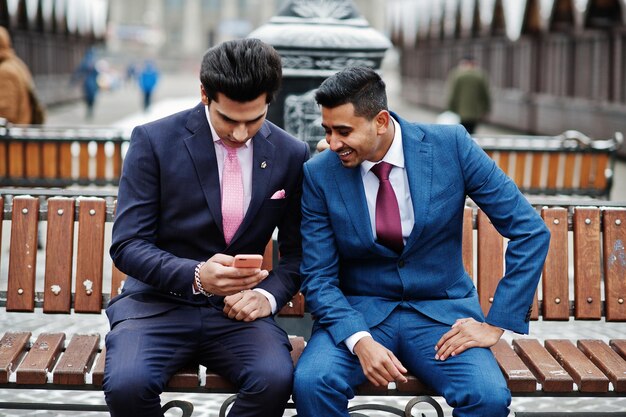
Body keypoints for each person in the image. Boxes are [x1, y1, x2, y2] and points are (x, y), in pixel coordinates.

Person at [293, 67, 550, 417]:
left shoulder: (452, 147)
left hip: (442, 317)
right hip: (359, 315)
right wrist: (360, 340)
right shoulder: (320, 173)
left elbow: (530, 230)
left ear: (380, 121)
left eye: (344, 131)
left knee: (487, 396)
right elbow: (318, 277)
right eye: (327, 131)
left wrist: (495, 323)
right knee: (312, 382)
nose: (332, 143)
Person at [104, 38, 309, 417]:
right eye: (229, 119)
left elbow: (299, 254)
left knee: (275, 380)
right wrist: (196, 275)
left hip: (238, 312)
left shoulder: (291, 153)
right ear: (204, 94)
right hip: (156, 304)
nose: (242, 133)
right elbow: (128, 244)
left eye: (255, 119)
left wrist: (266, 297)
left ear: (270, 101)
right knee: (128, 386)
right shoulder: (154, 140)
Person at [0, 26, 44, 124]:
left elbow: (4, 114)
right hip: (20, 132)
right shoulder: (16, 64)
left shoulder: (5, 73)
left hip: (11, 137)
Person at [446, 55, 491, 134]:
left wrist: (450, 108)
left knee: (461, 132)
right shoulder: (480, 75)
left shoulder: (457, 75)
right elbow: (485, 94)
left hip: (459, 111)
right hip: (475, 112)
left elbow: (452, 94)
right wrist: (486, 109)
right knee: (472, 132)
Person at [72, 48, 100, 119]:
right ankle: (90, 110)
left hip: (88, 83)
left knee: (89, 97)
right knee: (91, 97)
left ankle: (89, 110)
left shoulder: (86, 62)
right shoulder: (93, 63)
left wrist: (74, 80)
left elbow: (79, 72)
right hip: (91, 83)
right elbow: (97, 73)